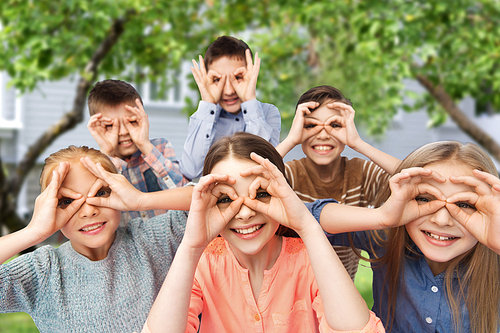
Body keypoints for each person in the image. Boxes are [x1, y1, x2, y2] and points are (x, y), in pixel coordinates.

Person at [141, 132, 385, 333]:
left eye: (260, 194)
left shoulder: (308, 261)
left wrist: (307, 226)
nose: (245, 213)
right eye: (226, 198)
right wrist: (191, 247)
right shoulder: (203, 265)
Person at [308, 141, 500, 332]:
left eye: (464, 204)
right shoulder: (387, 237)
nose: (442, 220)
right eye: (424, 199)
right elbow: (300, 217)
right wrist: (381, 217)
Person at [0, 146, 191, 333]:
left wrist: (141, 200)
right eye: (67, 202)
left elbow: (214, 197)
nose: (89, 210)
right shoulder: (44, 272)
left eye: (100, 193)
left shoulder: (152, 240)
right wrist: (33, 231)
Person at [276, 85, 401, 280]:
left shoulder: (361, 173)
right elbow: (248, 177)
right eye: (311, 125)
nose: (323, 134)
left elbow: (417, 175)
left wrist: (358, 143)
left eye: (334, 125)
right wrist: (291, 139)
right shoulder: (289, 174)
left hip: (342, 288)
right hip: (292, 288)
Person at [179, 36, 281, 180]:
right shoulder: (204, 117)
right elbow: (191, 171)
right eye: (217, 80)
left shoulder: (269, 112)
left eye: (238, 77)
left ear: (252, 74)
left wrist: (249, 100)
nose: (228, 91)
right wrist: (208, 102)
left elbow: (262, 167)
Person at [87, 79, 187, 220]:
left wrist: (145, 146)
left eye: (132, 122)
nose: (122, 132)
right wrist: (107, 153)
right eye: (110, 126)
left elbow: (185, 193)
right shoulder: (93, 165)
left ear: (144, 120)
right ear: (97, 128)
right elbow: (98, 211)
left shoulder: (160, 147)